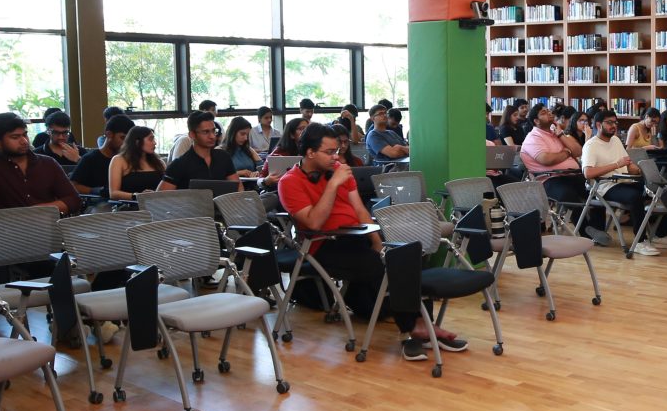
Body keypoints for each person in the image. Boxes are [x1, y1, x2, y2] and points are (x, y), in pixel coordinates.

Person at [276, 122, 462, 363]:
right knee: (382, 267)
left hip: (359, 236)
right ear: (310, 152)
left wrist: (377, 241)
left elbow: (360, 210)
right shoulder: (289, 182)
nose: (336, 156)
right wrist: (333, 185)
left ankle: (420, 326)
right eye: (329, 152)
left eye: (337, 150)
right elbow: (313, 223)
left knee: (408, 255)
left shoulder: (339, 169)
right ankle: (413, 330)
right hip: (324, 244)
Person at [579, 108, 659, 255]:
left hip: (623, 181)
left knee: (658, 188)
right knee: (635, 197)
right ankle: (639, 242)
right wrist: (617, 165)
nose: (614, 125)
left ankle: (661, 234)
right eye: (609, 123)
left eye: (615, 122)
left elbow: (627, 163)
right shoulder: (591, 145)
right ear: (598, 125)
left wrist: (637, 169)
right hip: (604, 186)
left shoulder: (615, 140)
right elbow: (587, 173)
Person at [0, 112, 79, 214]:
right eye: (15, 137)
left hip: (48, 229)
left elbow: (74, 200)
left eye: (25, 135)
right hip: (5, 233)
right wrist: (27, 216)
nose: (24, 141)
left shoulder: (47, 163)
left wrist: (37, 210)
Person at [520, 101, 587, 211]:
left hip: (571, 175)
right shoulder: (533, 138)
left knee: (596, 191)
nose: (549, 113)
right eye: (544, 113)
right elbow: (547, 159)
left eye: (549, 111)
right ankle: (583, 228)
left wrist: (560, 134)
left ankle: (596, 227)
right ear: (536, 121)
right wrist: (567, 152)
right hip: (548, 179)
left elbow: (578, 151)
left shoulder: (556, 133)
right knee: (570, 196)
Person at [161, 110, 236, 190]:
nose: (212, 136)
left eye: (214, 131)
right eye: (206, 132)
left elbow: (238, 188)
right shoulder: (179, 165)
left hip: (222, 202)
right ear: (192, 134)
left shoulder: (223, 157)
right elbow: (161, 197)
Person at [71, 114, 134, 194]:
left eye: (128, 140)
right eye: (122, 138)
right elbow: (73, 186)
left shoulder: (129, 159)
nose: (125, 143)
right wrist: (96, 191)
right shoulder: (90, 159)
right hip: (98, 203)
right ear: (109, 134)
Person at [107, 125, 168, 199]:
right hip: (130, 206)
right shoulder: (119, 160)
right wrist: (137, 196)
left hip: (157, 206)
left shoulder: (159, 163)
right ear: (137, 142)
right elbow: (113, 193)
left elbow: (167, 189)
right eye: (150, 139)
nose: (155, 143)